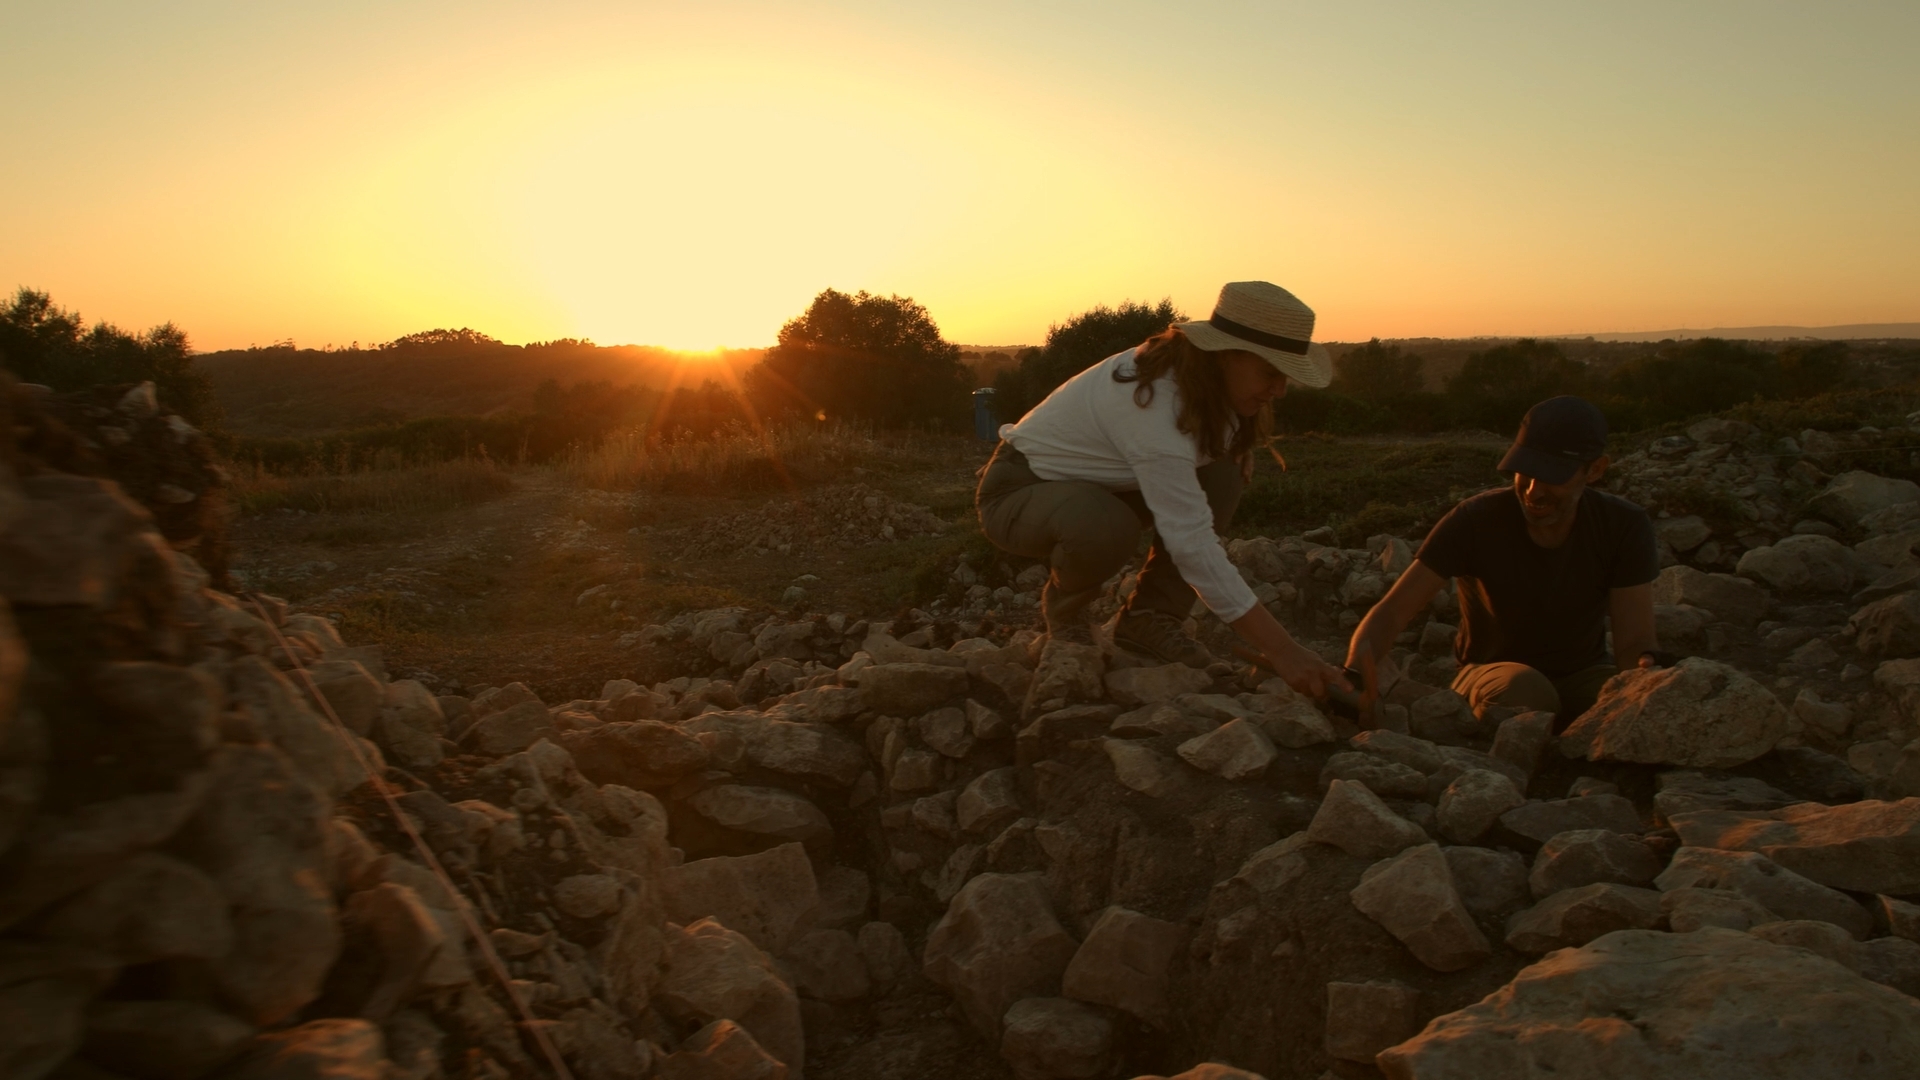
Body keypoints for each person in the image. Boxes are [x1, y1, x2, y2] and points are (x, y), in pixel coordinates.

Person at [975, 280, 1348, 698]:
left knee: (1221, 473)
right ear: (1225, 355)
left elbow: (1208, 452)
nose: (1279, 390)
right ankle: (1068, 617)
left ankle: (1150, 619)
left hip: (1100, 486)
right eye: (1270, 373)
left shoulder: (1204, 380)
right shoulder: (1152, 401)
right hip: (1018, 490)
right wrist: (1284, 651)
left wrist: (1232, 447)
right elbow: (1190, 541)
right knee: (1106, 525)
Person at [1346, 395, 1661, 723]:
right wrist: (1353, 678)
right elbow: (1393, 612)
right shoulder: (1475, 520)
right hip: (1493, 674)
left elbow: (1635, 641)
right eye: (1525, 471)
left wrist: (1645, 675)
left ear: (1595, 469)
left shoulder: (1623, 526)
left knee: (1635, 705)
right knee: (1528, 693)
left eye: (1553, 475)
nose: (1533, 491)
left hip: (1583, 673)